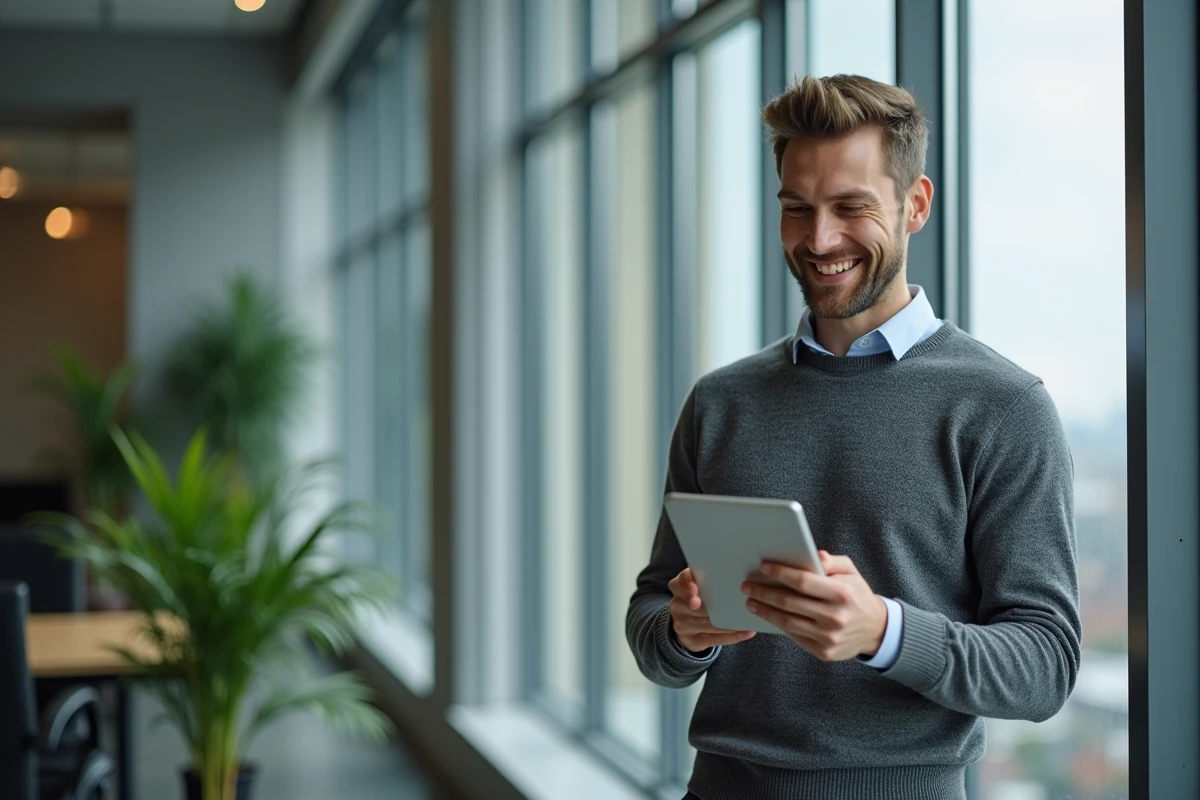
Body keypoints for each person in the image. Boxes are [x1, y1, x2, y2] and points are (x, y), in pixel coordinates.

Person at [625, 74, 1081, 800]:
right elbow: (651, 623)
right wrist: (683, 630)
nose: (819, 239)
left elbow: (1045, 667)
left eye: (850, 208)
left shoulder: (1001, 407)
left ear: (916, 205)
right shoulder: (722, 402)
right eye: (796, 209)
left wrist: (883, 632)